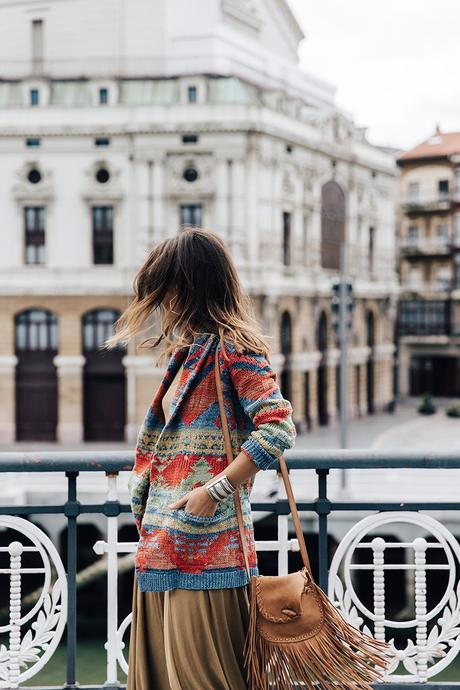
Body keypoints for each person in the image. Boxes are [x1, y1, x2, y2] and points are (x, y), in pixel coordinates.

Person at [106, 228, 297, 690]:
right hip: (162, 544)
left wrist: (213, 492)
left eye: (167, 288)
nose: (162, 302)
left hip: (210, 551)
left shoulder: (236, 347)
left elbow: (278, 429)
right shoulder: (189, 352)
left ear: (189, 286)